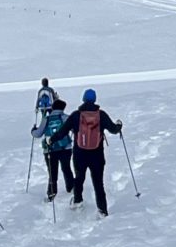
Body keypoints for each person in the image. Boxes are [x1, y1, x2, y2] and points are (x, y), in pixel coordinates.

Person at [63, 88, 123, 217]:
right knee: (98, 183)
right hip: (97, 155)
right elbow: (113, 129)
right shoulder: (101, 115)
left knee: (79, 178)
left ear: (83, 99)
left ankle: (77, 201)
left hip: (80, 154)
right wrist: (119, 125)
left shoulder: (76, 115)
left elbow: (63, 131)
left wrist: (51, 140)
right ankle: (102, 210)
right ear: (95, 100)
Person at [32, 95, 74, 202]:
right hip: (65, 148)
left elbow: (38, 134)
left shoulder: (46, 119)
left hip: (50, 149)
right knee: (67, 169)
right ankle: (71, 188)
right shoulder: (66, 117)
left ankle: (51, 193)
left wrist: (33, 130)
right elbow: (74, 129)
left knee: (52, 172)